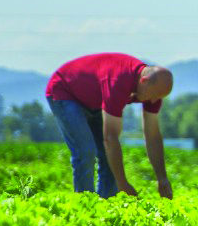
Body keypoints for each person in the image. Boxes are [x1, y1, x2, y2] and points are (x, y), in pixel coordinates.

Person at [45, 52, 174, 198]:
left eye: (159, 98)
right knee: (85, 152)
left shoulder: (153, 92)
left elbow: (152, 136)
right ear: (143, 81)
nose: (153, 101)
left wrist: (162, 179)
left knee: (108, 157)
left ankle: (105, 207)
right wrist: (122, 183)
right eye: (154, 95)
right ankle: (85, 204)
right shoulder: (118, 81)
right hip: (65, 92)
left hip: (95, 101)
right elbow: (110, 138)